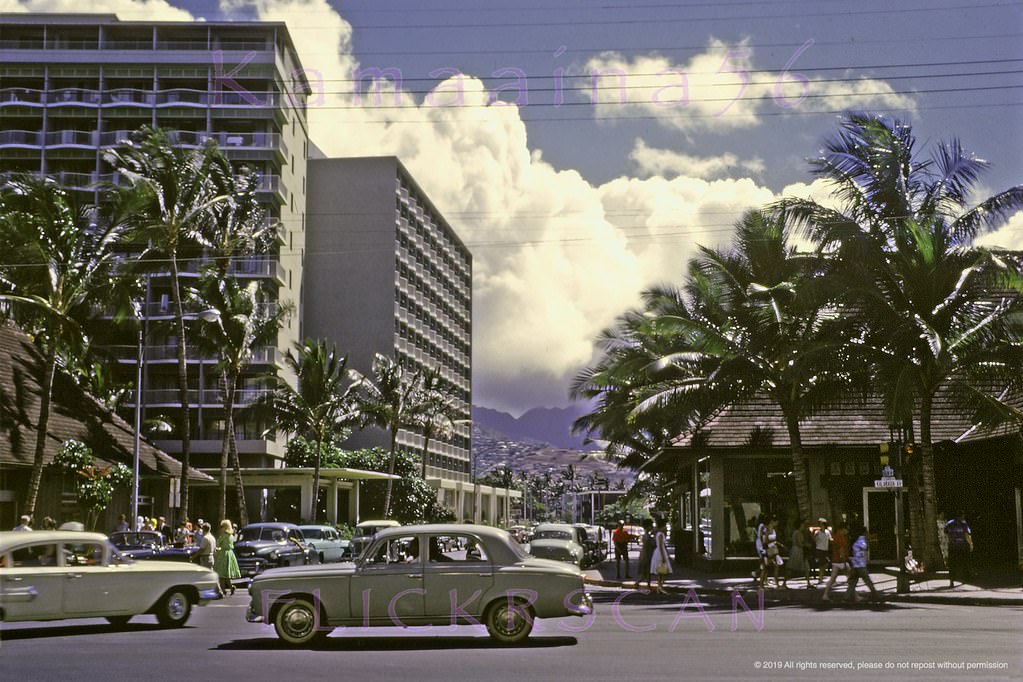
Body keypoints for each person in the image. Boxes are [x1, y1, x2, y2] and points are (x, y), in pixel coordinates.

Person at [847, 526, 879, 602]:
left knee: (853, 582)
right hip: (860, 564)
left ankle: (847, 597)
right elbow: (865, 547)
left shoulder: (857, 539)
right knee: (868, 581)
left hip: (856, 563)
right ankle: (875, 595)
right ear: (864, 532)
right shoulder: (862, 539)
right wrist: (869, 539)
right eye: (867, 532)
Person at [821, 522, 851, 601]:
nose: (848, 531)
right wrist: (844, 562)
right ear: (843, 529)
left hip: (836, 561)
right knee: (852, 579)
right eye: (847, 529)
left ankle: (825, 594)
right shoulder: (841, 537)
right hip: (841, 561)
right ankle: (855, 596)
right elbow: (841, 550)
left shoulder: (836, 535)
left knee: (832, 579)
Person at [945, 512, 973, 587]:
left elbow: (946, 533)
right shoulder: (964, 524)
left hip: (952, 546)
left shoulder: (949, 523)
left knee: (952, 564)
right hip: (962, 546)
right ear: (961, 516)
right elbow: (967, 535)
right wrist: (970, 544)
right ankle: (964, 578)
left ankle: (952, 581)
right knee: (963, 562)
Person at [214, 519, 241, 595]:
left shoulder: (223, 536)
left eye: (222, 526)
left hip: (223, 554)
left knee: (221, 574)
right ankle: (230, 587)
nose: (221, 528)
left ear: (225, 527)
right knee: (227, 575)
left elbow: (218, 544)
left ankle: (223, 590)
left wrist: (217, 549)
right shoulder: (231, 536)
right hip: (230, 554)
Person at [650, 519, 673, 593]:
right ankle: (660, 586)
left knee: (662, 571)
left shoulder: (659, 534)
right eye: (665, 526)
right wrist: (663, 556)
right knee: (663, 571)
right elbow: (660, 545)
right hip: (660, 553)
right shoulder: (660, 534)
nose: (666, 528)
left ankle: (659, 586)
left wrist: (667, 554)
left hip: (660, 552)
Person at [763, 515, 786, 588]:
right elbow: (765, 541)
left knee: (773, 566)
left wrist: (780, 544)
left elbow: (774, 540)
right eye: (776, 522)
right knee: (774, 566)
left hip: (774, 549)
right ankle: (774, 582)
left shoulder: (773, 529)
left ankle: (772, 581)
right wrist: (774, 541)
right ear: (773, 521)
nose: (777, 524)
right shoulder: (767, 529)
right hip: (770, 549)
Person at [789, 518, 811, 587]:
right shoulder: (798, 532)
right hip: (797, 551)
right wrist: (806, 545)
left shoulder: (799, 532)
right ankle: (784, 582)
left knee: (806, 566)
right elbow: (799, 543)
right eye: (802, 524)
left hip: (800, 551)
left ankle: (808, 583)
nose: (803, 526)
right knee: (791, 567)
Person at [636, 518, 654, 589]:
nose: (652, 526)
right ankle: (639, 583)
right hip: (646, 555)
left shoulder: (647, 535)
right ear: (648, 526)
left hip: (646, 554)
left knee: (647, 572)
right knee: (646, 572)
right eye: (651, 525)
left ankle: (647, 585)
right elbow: (646, 546)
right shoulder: (646, 535)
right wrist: (647, 556)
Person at [813, 519, 832, 585]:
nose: (821, 526)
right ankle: (820, 579)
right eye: (820, 524)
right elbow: (815, 541)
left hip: (825, 550)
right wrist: (816, 536)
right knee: (821, 564)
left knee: (826, 563)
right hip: (819, 549)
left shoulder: (827, 532)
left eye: (822, 524)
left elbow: (830, 539)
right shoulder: (817, 532)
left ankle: (820, 577)